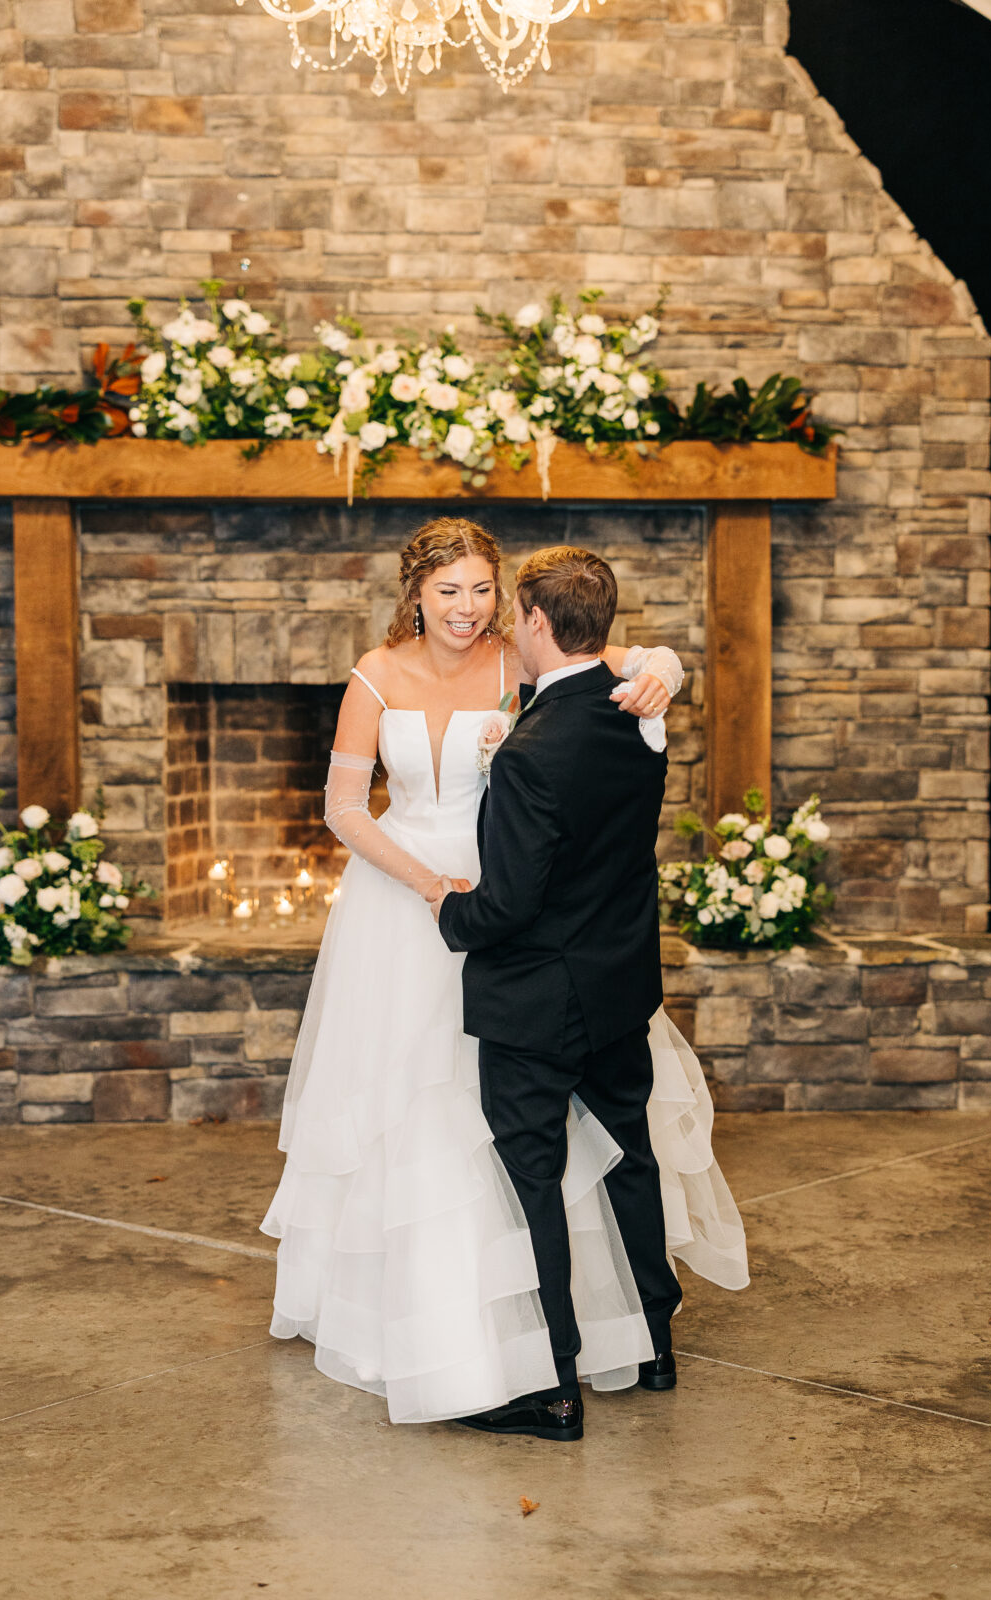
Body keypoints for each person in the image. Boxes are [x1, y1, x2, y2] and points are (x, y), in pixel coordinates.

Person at [261, 517, 748, 1427]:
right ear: (415, 593)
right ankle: (436, 1317)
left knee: (524, 1123)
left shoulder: (513, 659)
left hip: (514, 897)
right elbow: (340, 807)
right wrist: (423, 883)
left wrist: (669, 668)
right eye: (449, 591)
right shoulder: (375, 674)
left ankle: (554, 1336)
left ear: (507, 599)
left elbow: (606, 654)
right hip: (409, 899)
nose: (467, 608)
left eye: (483, 589)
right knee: (412, 1103)